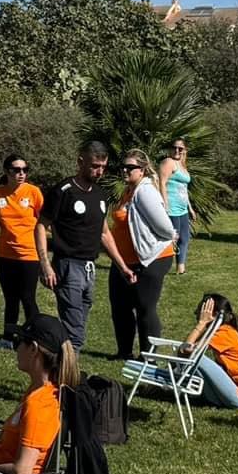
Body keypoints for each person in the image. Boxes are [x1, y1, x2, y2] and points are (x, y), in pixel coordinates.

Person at [37, 142, 131, 350]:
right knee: (75, 333)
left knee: (77, 324)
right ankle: (67, 379)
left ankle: (58, 367)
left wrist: (122, 266)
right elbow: (41, 226)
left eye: (103, 167)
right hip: (68, 266)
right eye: (95, 166)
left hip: (89, 268)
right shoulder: (63, 191)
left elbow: (104, 233)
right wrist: (45, 264)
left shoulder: (100, 195)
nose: (99, 172)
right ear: (81, 162)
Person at [0, 315, 77, 474]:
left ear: (33, 349)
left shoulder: (40, 404)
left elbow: (20, 471)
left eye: (19, 342)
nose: (16, 349)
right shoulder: (38, 390)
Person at [106, 150, 176, 362]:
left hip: (151, 259)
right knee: (120, 306)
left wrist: (168, 237)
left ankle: (149, 357)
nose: (125, 171)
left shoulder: (145, 192)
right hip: (124, 261)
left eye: (130, 167)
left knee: (145, 306)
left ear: (143, 170)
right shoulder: (129, 190)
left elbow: (165, 226)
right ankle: (124, 351)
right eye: (124, 167)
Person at [0, 153, 45, 348]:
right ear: (7, 171)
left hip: (29, 255)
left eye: (25, 170)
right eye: (17, 170)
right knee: (10, 298)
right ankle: (8, 339)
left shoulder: (34, 192)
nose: (21, 173)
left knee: (28, 298)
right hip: (5, 255)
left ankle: (36, 339)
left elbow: (44, 223)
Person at [174, 293, 238, 409]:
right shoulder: (225, 330)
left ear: (214, 314)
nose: (196, 313)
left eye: (201, 310)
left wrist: (201, 324)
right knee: (190, 360)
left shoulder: (225, 333)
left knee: (195, 357)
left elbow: (186, 351)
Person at [158, 138, 199, 276]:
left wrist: (190, 208)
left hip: (182, 210)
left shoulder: (182, 166)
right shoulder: (168, 162)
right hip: (171, 209)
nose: (177, 150)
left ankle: (181, 268)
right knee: (171, 240)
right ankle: (159, 268)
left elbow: (184, 188)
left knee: (184, 238)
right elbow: (162, 183)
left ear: (184, 150)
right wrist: (165, 205)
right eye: (174, 147)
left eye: (180, 148)